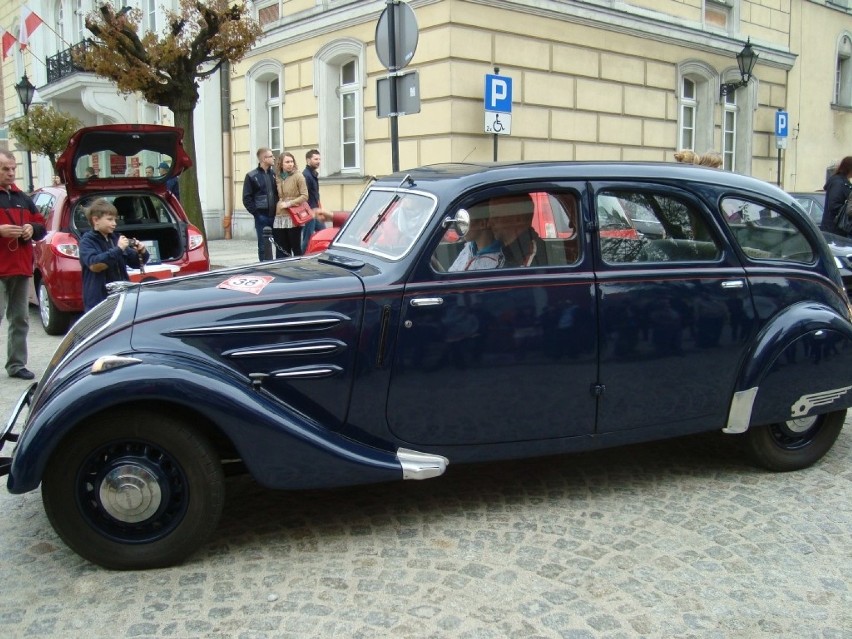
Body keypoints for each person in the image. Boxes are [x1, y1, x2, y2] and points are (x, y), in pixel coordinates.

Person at [0, 150, 47, 380]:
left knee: (20, 319)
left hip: (20, 266)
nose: (10, 173)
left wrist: (31, 229)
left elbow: (42, 226)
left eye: (12, 169)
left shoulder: (23, 198)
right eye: (5, 169)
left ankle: (16, 365)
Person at [79, 198, 148, 312]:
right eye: (110, 219)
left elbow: (135, 263)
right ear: (96, 220)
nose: (114, 224)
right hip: (98, 301)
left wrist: (142, 252)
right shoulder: (87, 241)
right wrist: (119, 249)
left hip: (122, 297)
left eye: (115, 220)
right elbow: (95, 265)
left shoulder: (116, 238)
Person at [488, 194, 546, 268]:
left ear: (518, 220)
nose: (489, 223)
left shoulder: (532, 255)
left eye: (495, 217)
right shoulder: (508, 253)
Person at [242, 148, 278, 261]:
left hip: (276, 216)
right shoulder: (252, 176)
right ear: (264, 158)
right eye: (271, 156)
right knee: (263, 245)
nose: (274, 158)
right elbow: (246, 198)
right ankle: (263, 265)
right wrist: (257, 214)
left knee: (279, 244)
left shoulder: (274, 174)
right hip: (262, 216)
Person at [448, 203, 504, 271]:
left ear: (482, 224)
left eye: (465, 222)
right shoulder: (469, 247)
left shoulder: (496, 262)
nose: (461, 227)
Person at [273, 151, 309, 257]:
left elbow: (305, 196)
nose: (290, 164)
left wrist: (289, 203)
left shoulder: (298, 176)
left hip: (293, 216)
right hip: (280, 216)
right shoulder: (279, 177)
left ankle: (298, 269)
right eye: (287, 162)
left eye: (292, 161)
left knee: (295, 247)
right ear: (281, 164)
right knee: (282, 248)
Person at [301, 149, 330, 253]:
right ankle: (303, 257)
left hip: (316, 210)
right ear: (308, 160)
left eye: (319, 159)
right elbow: (304, 196)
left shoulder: (312, 174)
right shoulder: (306, 175)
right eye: (315, 159)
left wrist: (319, 207)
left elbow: (315, 195)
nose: (318, 161)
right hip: (310, 212)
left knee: (323, 233)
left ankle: (321, 253)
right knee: (307, 237)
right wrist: (308, 212)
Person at [821, 156, 852, 236]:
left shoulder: (843, 182)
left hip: (839, 228)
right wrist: (848, 210)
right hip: (836, 230)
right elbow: (833, 205)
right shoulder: (838, 183)